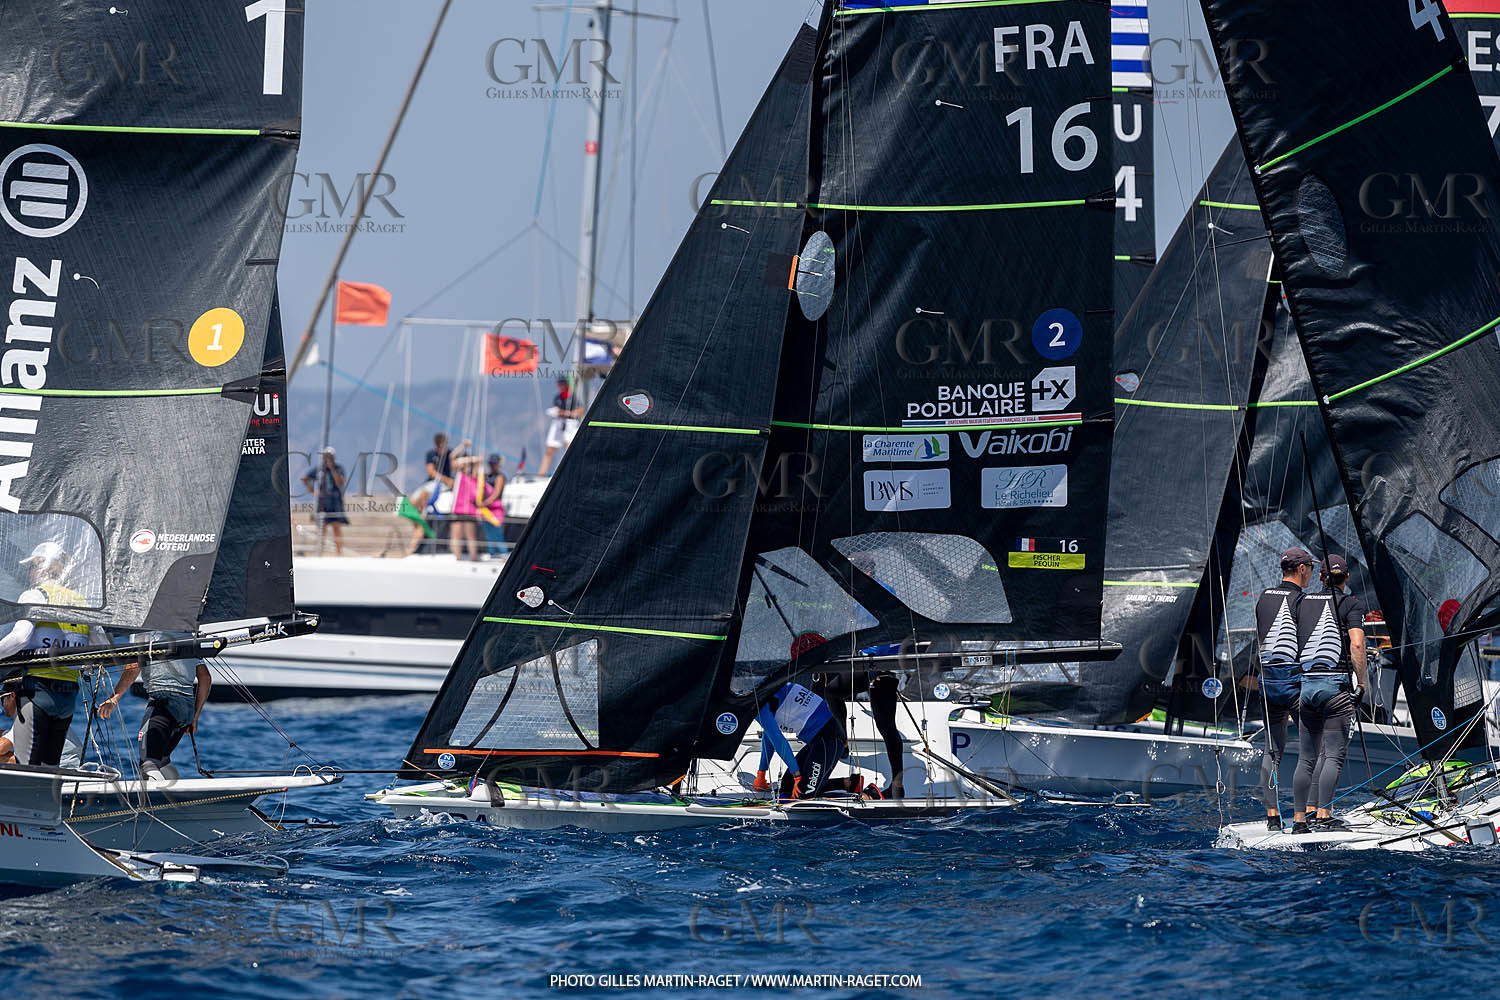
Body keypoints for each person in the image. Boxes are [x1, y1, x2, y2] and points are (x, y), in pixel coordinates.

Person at [0, 541, 107, 767]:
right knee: (49, 768)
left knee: (27, 766)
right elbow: (102, 645)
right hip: (67, 699)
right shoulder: (82, 602)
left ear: (43, 567)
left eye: (31, 566)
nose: (28, 572)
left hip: (38, 692)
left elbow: (19, 639)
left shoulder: (36, 595)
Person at [1290, 554, 1368, 834]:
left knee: (1306, 758)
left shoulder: (1302, 602)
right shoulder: (1350, 603)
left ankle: (1301, 819)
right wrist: (1361, 684)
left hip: (1307, 688)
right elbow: (1357, 645)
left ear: (1321, 577)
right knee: (1333, 755)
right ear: (1346, 578)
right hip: (1335, 689)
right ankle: (1324, 816)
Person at [1252, 546, 1314, 830]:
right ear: (1302, 569)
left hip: (1269, 685)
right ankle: (1305, 818)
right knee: (1312, 750)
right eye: (1310, 568)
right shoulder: (1304, 600)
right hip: (1295, 686)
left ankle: (1273, 817)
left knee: (1272, 751)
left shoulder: (1264, 597)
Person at [98, 631, 212, 780]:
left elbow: (133, 666)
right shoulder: (187, 633)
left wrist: (114, 698)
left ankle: (156, 801)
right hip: (186, 710)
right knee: (162, 761)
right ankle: (177, 797)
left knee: (148, 764)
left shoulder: (146, 632)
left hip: (163, 703)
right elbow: (205, 677)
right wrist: (194, 717)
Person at [752, 681, 870, 800]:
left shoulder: (756, 703)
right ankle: (849, 783)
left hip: (830, 739)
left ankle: (867, 797)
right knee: (787, 787)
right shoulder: (767, 689)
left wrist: (797, 776)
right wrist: (761, 774)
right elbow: (770, 735)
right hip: (818, 740)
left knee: (802, 797)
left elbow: (779, 742)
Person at [301, 446, 347, 555]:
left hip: (335, 502)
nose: (327, 459)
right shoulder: (319, 469)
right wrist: (312, 491)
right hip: (323, 502)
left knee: (336, 527)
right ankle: (319, 553)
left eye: (330, 457)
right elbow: (305, 478)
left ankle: (339, 553)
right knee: (322, 528)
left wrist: (332, 468)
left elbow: (340, 482)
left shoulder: (338, 468)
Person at [539, 378, 582, 475]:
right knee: (550, 450)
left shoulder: (573, 397)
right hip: (558, 423)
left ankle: (570, 472)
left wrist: (565, 413)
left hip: (571, 423)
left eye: (562, 384)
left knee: (569, 449)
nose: (560, 387)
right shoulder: (557, 397)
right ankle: (541, 474)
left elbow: (580, 411)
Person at [448, 454, 483, 561]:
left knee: (470, 536)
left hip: (469, 510)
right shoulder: (459, 474)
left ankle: (473, 558)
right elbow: (452, 458)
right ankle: (457, 558)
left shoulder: (474, 475)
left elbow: (479, 460)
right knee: (456, 535)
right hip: (459, 509)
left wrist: (470, 460)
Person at [477, 453, 507, 557]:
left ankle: (503, 553)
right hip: (486, 510)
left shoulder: (500, 477)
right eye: (490, 463)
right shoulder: (485, 476)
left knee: (497, 533)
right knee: (488, 533)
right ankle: (492, 553)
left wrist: (483, 503)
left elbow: (496, 494)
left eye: (494, 464)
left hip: (496, 508)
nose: (492, 466)